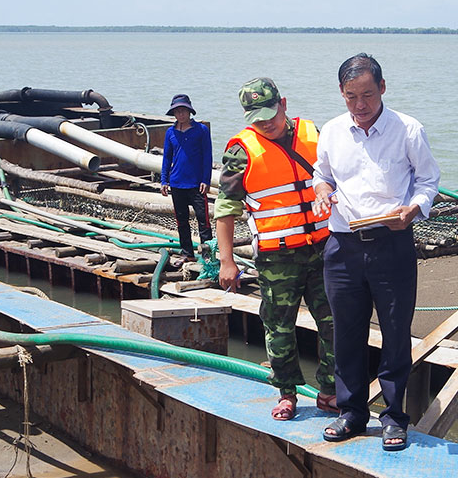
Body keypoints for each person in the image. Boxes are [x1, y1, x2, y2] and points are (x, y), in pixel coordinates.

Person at [312, 53, 440, 451]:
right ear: (341, 93)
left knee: (395, 331)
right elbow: (322, 174)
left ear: (383, 88)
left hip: (392, 242)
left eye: (367, 94)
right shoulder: (332, 131)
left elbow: (429, 179)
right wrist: (321, 192)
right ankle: (351, 412)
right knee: (345, 332)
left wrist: (414, 209)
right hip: (342, 246)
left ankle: (394, 416)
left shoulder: (408, 129)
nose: (360, 104)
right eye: (351, 96)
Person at [214, 78, 336, 420]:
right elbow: (225, 209)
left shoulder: (316, 134)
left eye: (271, 112)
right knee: (279, 327)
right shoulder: (240, 150)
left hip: (325, 249)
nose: (266, 122)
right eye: (257, 116)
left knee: (335, 323)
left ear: (283, 103)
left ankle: (329, 390)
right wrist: (227, 261)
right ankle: (287, 393)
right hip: (276, 256)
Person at [159, 93, 213, 263]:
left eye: (183, 111)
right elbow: (167, 157)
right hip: (176, 183)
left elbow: (208, 156)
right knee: (182, 221)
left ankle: (207, 255)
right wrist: (163, 181)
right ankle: (187, 253)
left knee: (203, 221)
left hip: (197, 184)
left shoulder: (201, 130)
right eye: (177, 112)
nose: (180, 115)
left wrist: (206, 179)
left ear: (190, 112)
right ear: (174, 113)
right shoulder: (170, 133)